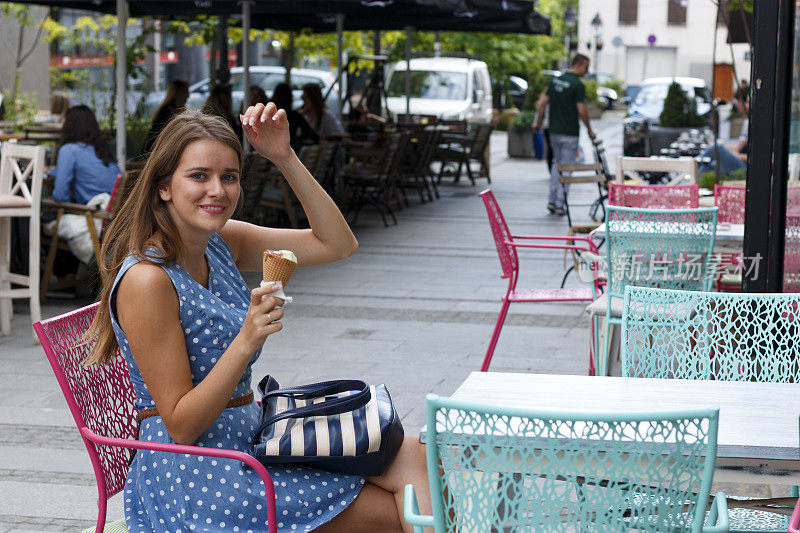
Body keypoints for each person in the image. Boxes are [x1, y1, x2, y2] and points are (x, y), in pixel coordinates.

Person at [85, 106, 431, 533]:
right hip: (200, 477)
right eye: (199, 176)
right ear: (163, 188)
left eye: (229, 176)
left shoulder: (218, 243)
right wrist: (247, 337)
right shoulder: (147, 280)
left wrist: (284, 157)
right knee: (398, 508)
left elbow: (337, 243)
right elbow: (182, 425)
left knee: (415, 455)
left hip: (254, 442)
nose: (217, 190)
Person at [533, 54, 594, 216]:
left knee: (556, 164)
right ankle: (560, 203)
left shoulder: (555, 81)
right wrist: (589, 128)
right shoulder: (577, 85)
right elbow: (581, 110)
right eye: (586, 67)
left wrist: (537, 123)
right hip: (569, 132)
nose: (587, 71)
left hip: (554, 131)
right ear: (579, 64)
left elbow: (542, 103)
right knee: (567, 167)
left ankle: (552, 200)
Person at [51, 105, 121, 205]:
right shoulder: (102, 149)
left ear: (68, 127)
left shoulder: (69, 150)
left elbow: (60, 196)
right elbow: (91, 172)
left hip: (92, 215)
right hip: (116, 213)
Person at [698, 90, 749, 177]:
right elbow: (737, 148)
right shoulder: (748, 121)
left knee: (716, 147)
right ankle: (692, 176)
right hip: (741, 164)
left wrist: (736, 155)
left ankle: (691, 166)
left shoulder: (750, 124)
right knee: (708, 166)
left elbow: (757, 159)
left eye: (747, 101)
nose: (737, 105)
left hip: (745, 169)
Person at [142, 79, 189, 155]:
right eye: (186, 92)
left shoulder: (171, 109)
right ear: (179, 93)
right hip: (155, 153)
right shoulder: (169, 111)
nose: (188, 96)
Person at [270, 82, 319, 152]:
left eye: (305, 97)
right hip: (289, 150)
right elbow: (313, 136)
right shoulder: (294, 116)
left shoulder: (269, 115)